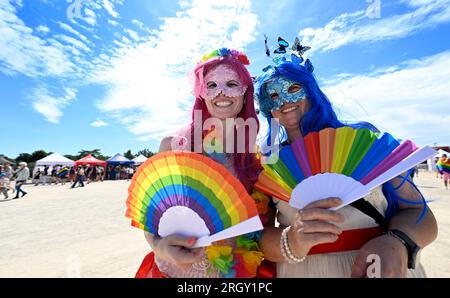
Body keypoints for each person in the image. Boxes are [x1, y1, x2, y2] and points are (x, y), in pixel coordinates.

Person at [254, 42, 438, 277]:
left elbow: (419, 215)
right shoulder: (269, 165)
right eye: (273, 96)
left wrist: (399, 242)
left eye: (292, 89)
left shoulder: (367, 143)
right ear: (267, 109)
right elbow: (260, 237)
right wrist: (292, 240)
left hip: (381, 268)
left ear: (311, 91)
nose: (284, 101)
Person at [135, 48, 274, 278]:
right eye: (211, 85)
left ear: (245, 92)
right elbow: (150, 217)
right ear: (201, 92)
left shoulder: (255, 157)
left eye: (231, 84)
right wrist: (159, 246)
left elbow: (263, 227)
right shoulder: (174, 146)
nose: (222, 93)